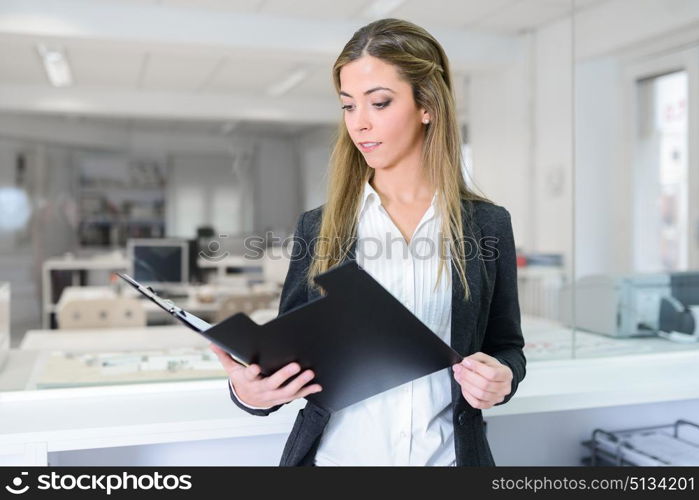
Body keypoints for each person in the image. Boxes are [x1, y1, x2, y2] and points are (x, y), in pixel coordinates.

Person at [210, 18, 526, 466]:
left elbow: (506, 346)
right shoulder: (319, 227)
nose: (359, 124)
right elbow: (287, 361)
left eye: (379, 103)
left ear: (427, 106)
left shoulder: (487, 225)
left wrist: (504, 378)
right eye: (348, 106)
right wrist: (251, 393)